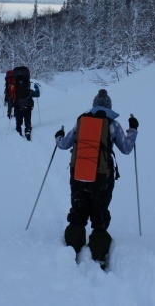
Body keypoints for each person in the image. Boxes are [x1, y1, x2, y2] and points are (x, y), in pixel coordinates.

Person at [54, 88, 138, 268]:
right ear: (109, 107)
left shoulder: (81, 122)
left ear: (93, 106)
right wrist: (133, 129)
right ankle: (99, 254)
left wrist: (58, 136)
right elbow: (126, 148)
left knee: (77, 214)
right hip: (102, 179)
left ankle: (72, 248)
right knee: (99, 217)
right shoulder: (113, 125)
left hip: (78, 176)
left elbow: (63, 144)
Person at [13, 66, 40, 141]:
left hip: (18, 106)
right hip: (28, 106)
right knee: (27, 121)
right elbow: (37, 95)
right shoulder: (29, 90)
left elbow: (11, 97)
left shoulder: (15, 89)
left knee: (19, 121)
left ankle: (19, 130)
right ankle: (28, 130)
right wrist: (37, 89)